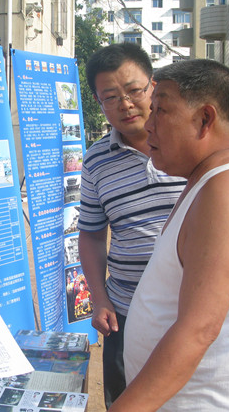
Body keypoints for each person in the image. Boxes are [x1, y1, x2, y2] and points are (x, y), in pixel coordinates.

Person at [112, 59, 229, 411]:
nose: (148, 126)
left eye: (160, 111)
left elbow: (198, 329)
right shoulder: (206, 183)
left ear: (205, 119)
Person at [77, 42, 186, 408]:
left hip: (186, 310)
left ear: (153, 86)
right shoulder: (95, 162)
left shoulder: (189, 147)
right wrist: (99, 298)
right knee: (124, 399)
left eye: (134, 90)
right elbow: (91, 234)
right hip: (126, 312)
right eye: (110, 96)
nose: (125, 104)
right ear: (98, 102)